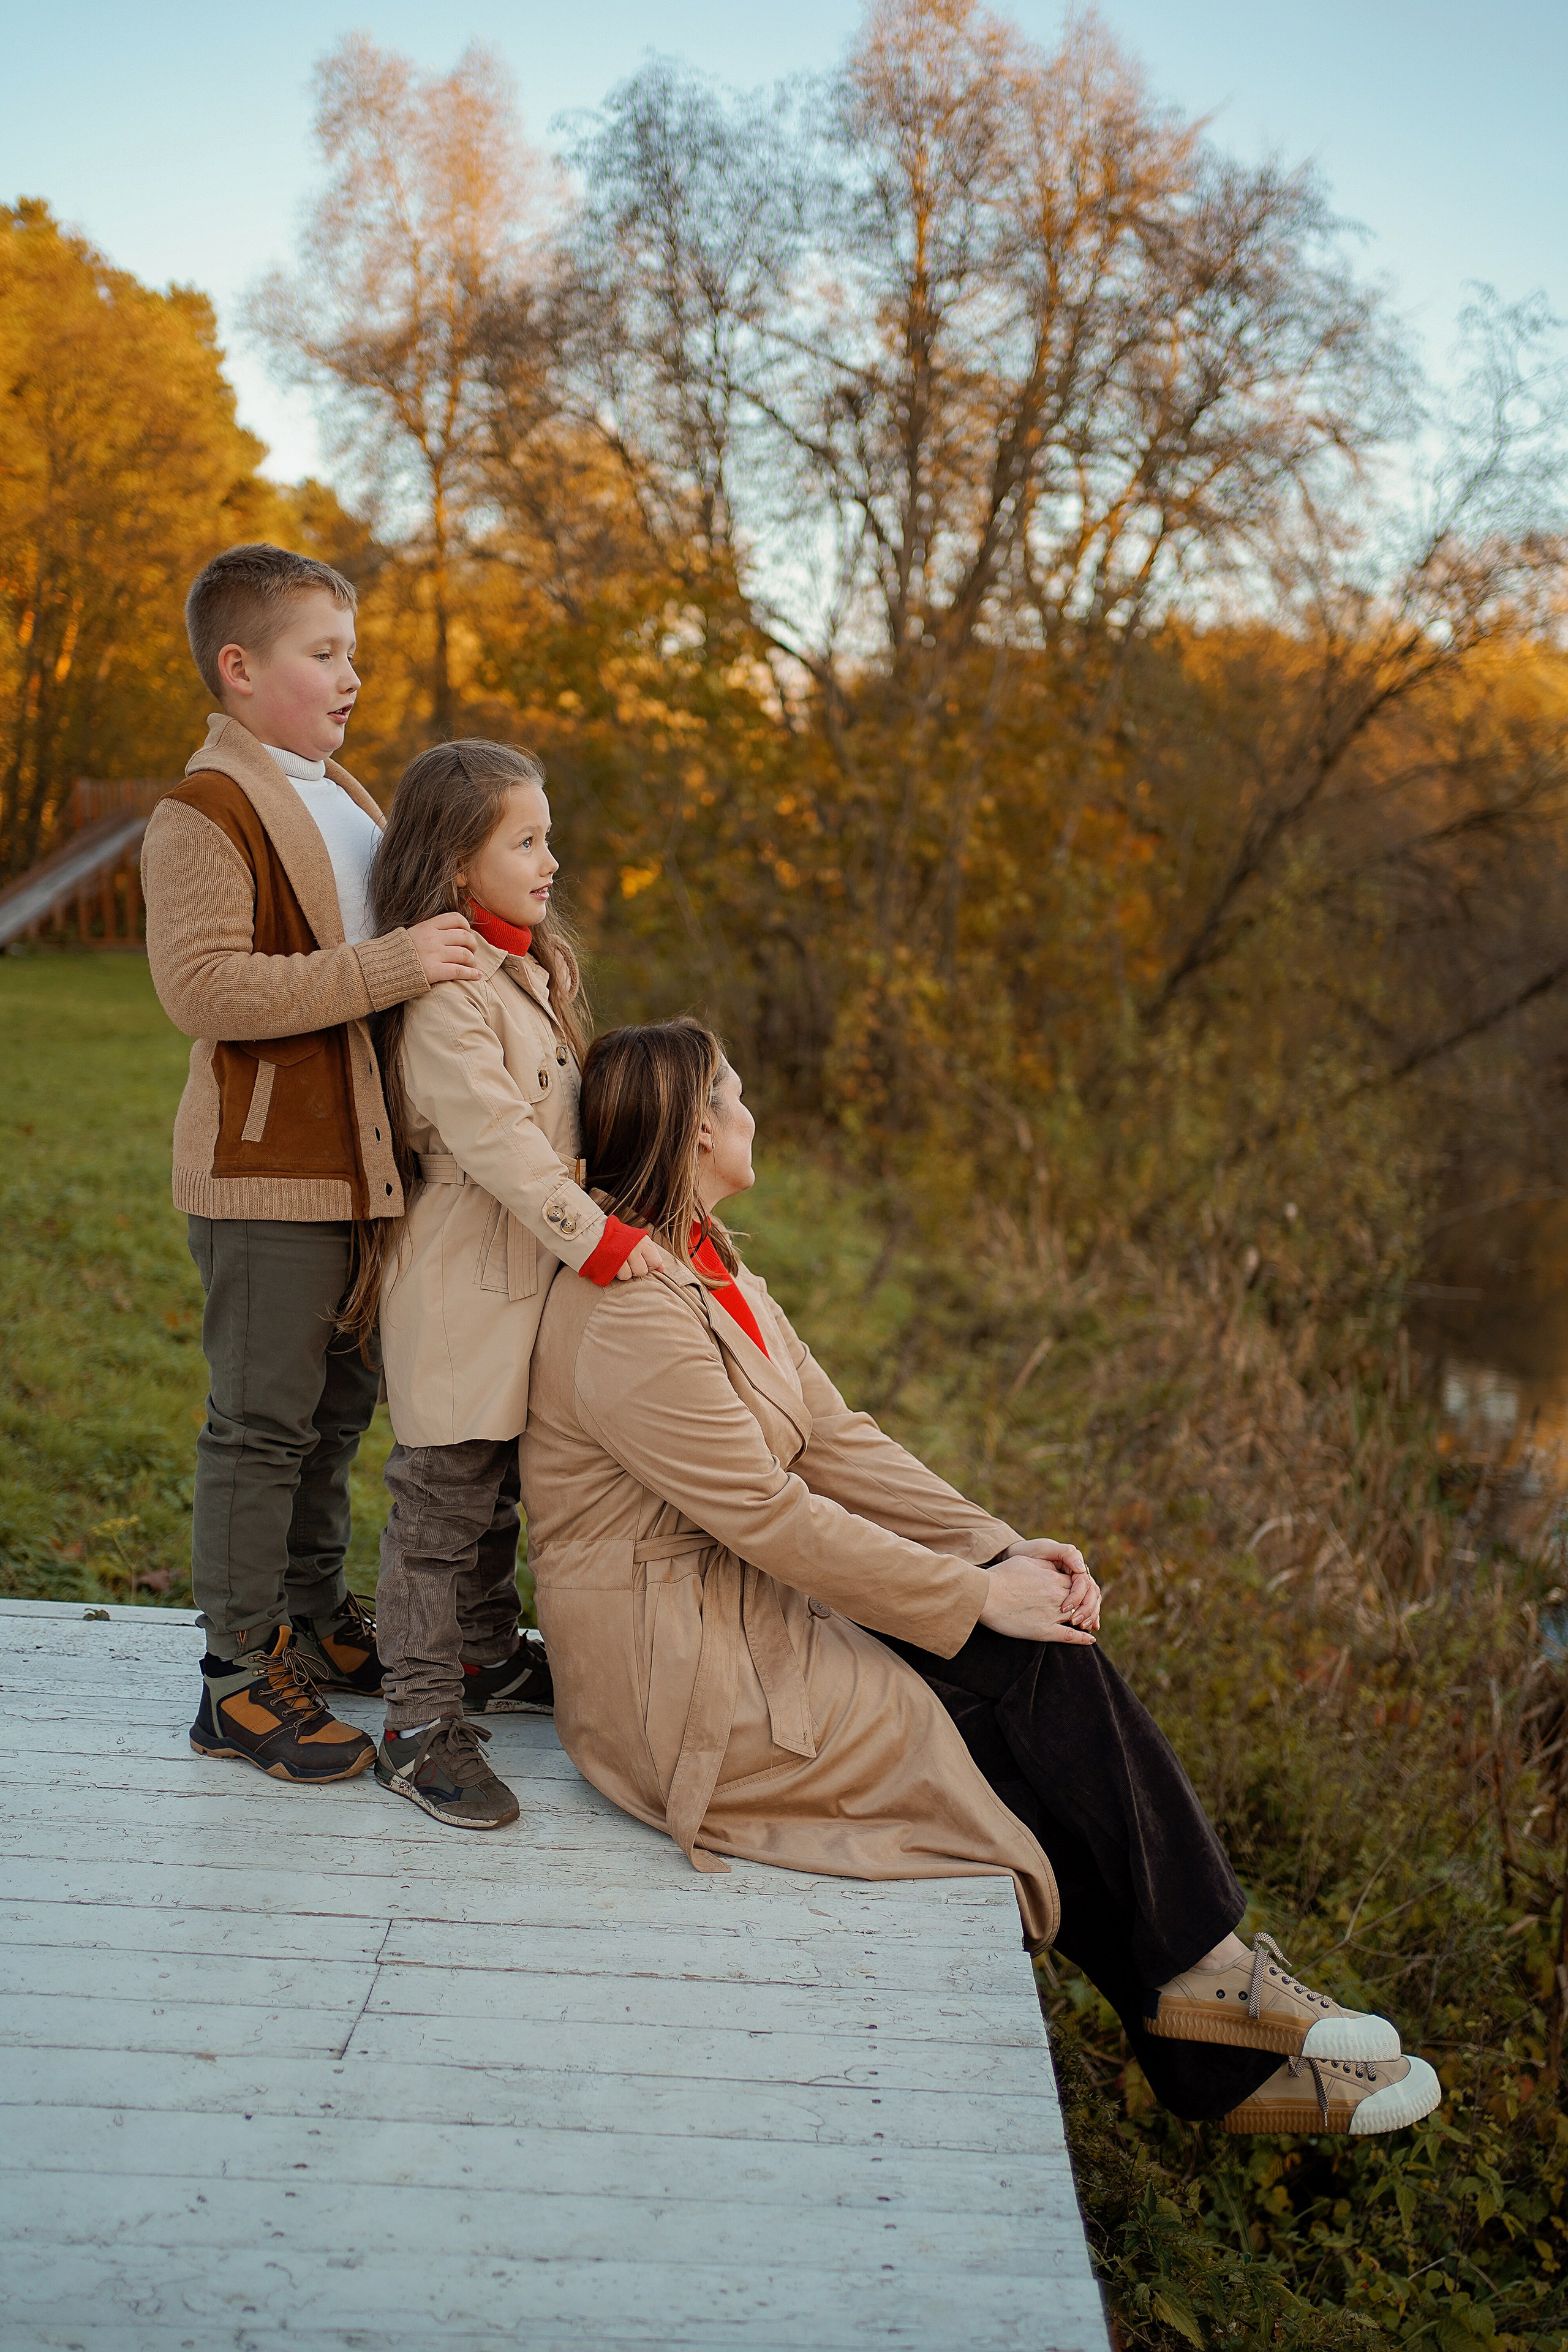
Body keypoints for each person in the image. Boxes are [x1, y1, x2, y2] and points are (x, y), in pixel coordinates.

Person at [516, 1018, 1443, 2137]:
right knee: (1016, 1716)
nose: (755, 1114)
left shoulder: (710, 1267)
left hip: (744, 1615)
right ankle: (1216, 2016)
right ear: (694, 1129)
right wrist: (970, 1598)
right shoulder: (628, 1316)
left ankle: (1216, 2009)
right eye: (738, 1096)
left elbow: (836, 1440)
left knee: (1039, 1666)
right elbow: (770, 1516)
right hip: (685, 1686)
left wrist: (998, 1550)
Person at [142, 543, 479, 1783]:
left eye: (353, 652)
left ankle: (316, 1627)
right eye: (322, 653)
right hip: (264, 1174)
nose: (352, 674)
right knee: (261, 1426)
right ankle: (235, 1679)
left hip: (363, 1171)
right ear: (240, 669)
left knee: (334, 1419)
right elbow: (203, 988)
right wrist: (397, 965)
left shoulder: (341, 796)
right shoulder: (207, 811)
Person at [351, 741, 663, 1832]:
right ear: (452, 866)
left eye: (547, 837)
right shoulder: (446, 994)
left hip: (531, 1269)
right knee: (441, 1502)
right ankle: (418, 1724)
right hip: (464, 1276)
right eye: (525, 841)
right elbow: (496, 1141)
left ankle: (483, 1655)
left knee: (496, 1492)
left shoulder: (530, 968)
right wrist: (600, 1240)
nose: (551, 860)